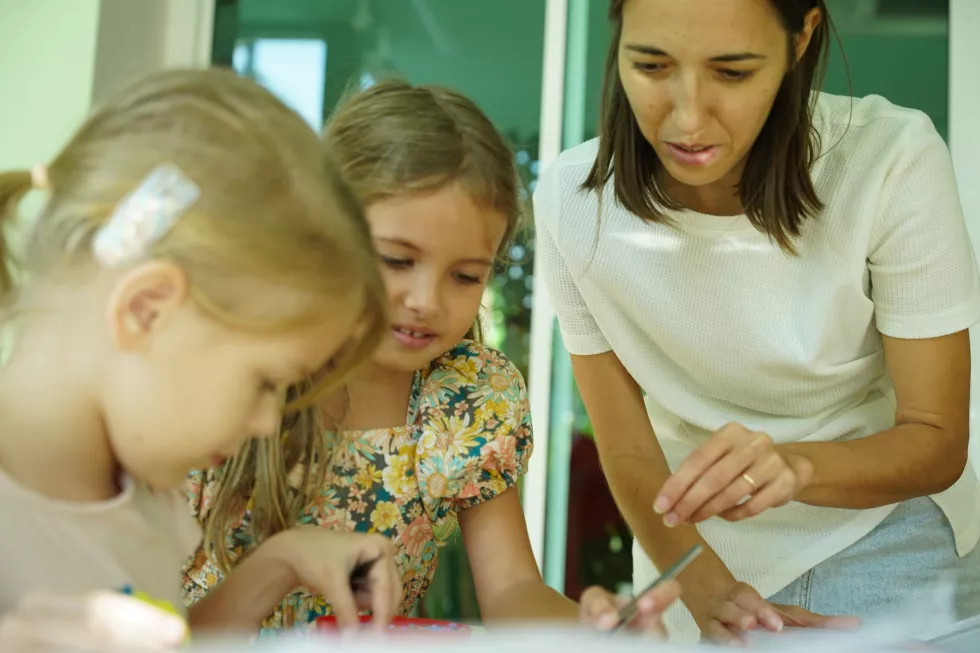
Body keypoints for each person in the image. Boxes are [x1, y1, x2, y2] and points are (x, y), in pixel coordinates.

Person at [534, 0, 980, 645]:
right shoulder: (572, 202)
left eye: (733, 72)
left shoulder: (889, 159)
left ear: (802, 37)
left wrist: (794, 466)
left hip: (887, 539)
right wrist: (704, 586)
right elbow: (629, 450)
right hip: (691, 559)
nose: (688, 119)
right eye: (651, 65)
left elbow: (936, 438)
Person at [183, 79, 680, 636]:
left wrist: (593, 634)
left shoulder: (468, 396)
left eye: (465, 276)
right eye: (397, 261)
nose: (427, 301)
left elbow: (511, 590)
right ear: (321, 233)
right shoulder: (229, 371)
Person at [0, 68, 403, 651]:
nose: (267, 423)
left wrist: (283, 560)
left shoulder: (142, 493)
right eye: (266, 381)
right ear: (146, 310)